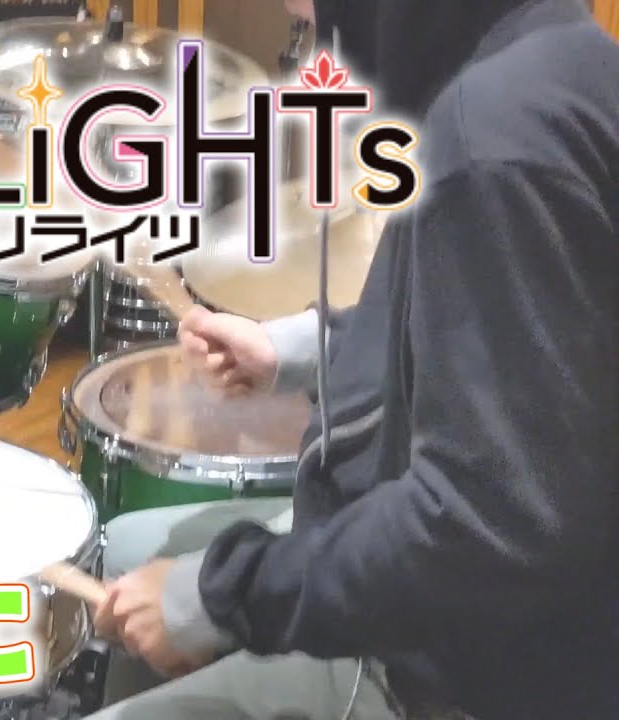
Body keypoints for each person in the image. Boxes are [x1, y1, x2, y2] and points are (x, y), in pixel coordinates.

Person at [87, 0, 619, 718]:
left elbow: (479, 524)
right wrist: (290, 352)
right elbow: (494, 348)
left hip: (459, 677)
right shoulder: (555, 58)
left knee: (151, 611)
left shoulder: (493, 140)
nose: (293, 10)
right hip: (501, 613)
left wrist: (219, 596)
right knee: (129, 550)